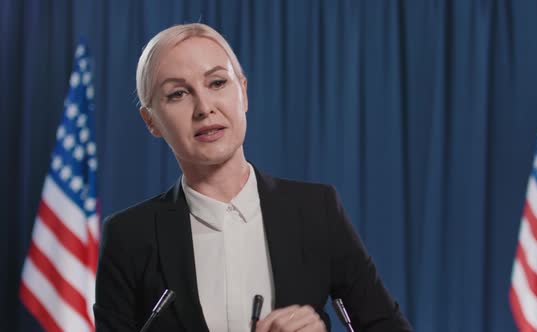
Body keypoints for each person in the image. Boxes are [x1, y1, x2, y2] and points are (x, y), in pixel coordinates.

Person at [93, 23, 412, 332]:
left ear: (243, 92)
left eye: (217, 83)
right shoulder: (128, 237)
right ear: (151, 121)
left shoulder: (318, 210)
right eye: (177, 94)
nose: (204, 107)